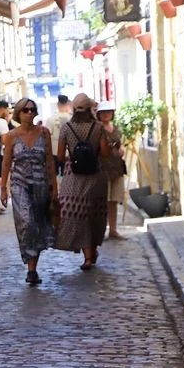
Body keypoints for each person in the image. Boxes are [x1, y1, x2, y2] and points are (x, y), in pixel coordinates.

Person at [0, 98, 57, 284]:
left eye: (32, 109)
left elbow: (49, 161)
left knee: (38, 225)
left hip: (41, 184)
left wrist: (54, 187)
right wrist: (3, 188)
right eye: (25, 110)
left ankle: (32, 270)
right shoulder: (11, 136)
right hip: (19, 184)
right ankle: (28, 258)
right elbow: (6, 163)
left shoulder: (44, 133)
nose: (30, 113)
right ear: (19, 113)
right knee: (27, 222)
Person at [55, 93, 110, 270]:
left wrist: (74, 156)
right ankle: (91, 251)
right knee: (93, 212)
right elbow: (104, 153)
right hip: (95, 175)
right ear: (89, 109)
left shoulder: (66, 128)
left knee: (78, 213)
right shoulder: (98, 127)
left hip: (73, 176)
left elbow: (60, 156)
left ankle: (87, 255)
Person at [96, 101, 127, 240]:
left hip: (117, 168)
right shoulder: (97, 129)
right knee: (102, 201)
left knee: (114, 200)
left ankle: (113, 230)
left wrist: (122, 150)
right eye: (103, 112)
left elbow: (121, 144)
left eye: (108, 112)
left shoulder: (116, 128)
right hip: (102, 168)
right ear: (99, 114)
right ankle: (102, 230)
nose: (106, 114)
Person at [45, 94, 73, 176]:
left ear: (58, 105)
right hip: (68, 152)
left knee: (54, 175)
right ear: (68, 104)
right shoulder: (72, 119)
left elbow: (47, 136)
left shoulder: (51, 119)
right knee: (67, 175)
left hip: (54, 152)